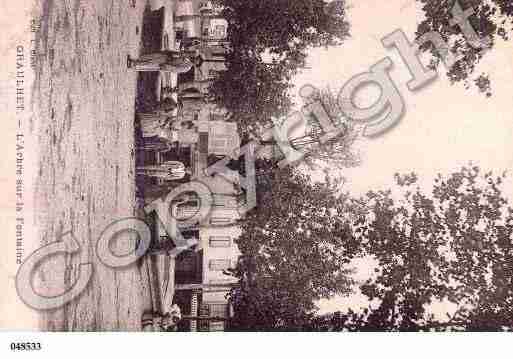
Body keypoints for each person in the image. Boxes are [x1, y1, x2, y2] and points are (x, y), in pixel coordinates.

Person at [127, 50, 194, 73]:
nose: (195, 60)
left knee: (149, 63)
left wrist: (166, 67)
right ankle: (134, 61)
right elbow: (177, 55)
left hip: (165, 64)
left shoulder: (187, 67)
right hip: (166, 57)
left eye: (197, 61)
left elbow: (176, 69)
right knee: (150, 57)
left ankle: (133, 64)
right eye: (197, 58)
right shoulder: (187, 59)